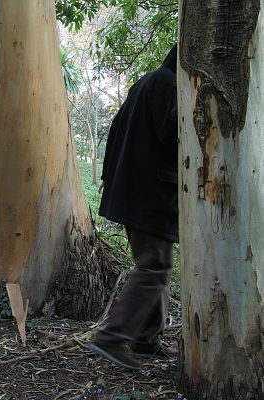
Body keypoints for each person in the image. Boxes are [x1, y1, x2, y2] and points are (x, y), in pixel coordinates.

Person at [87, 45, 178, 370]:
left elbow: (114, 129)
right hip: (149, 193)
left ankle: (145, 340)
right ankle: (112, 337)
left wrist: (108, 178)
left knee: (158, 264)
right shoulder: (168, 84)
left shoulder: (147, 82)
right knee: (154, 265)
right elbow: (174, 135)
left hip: (134, 190)